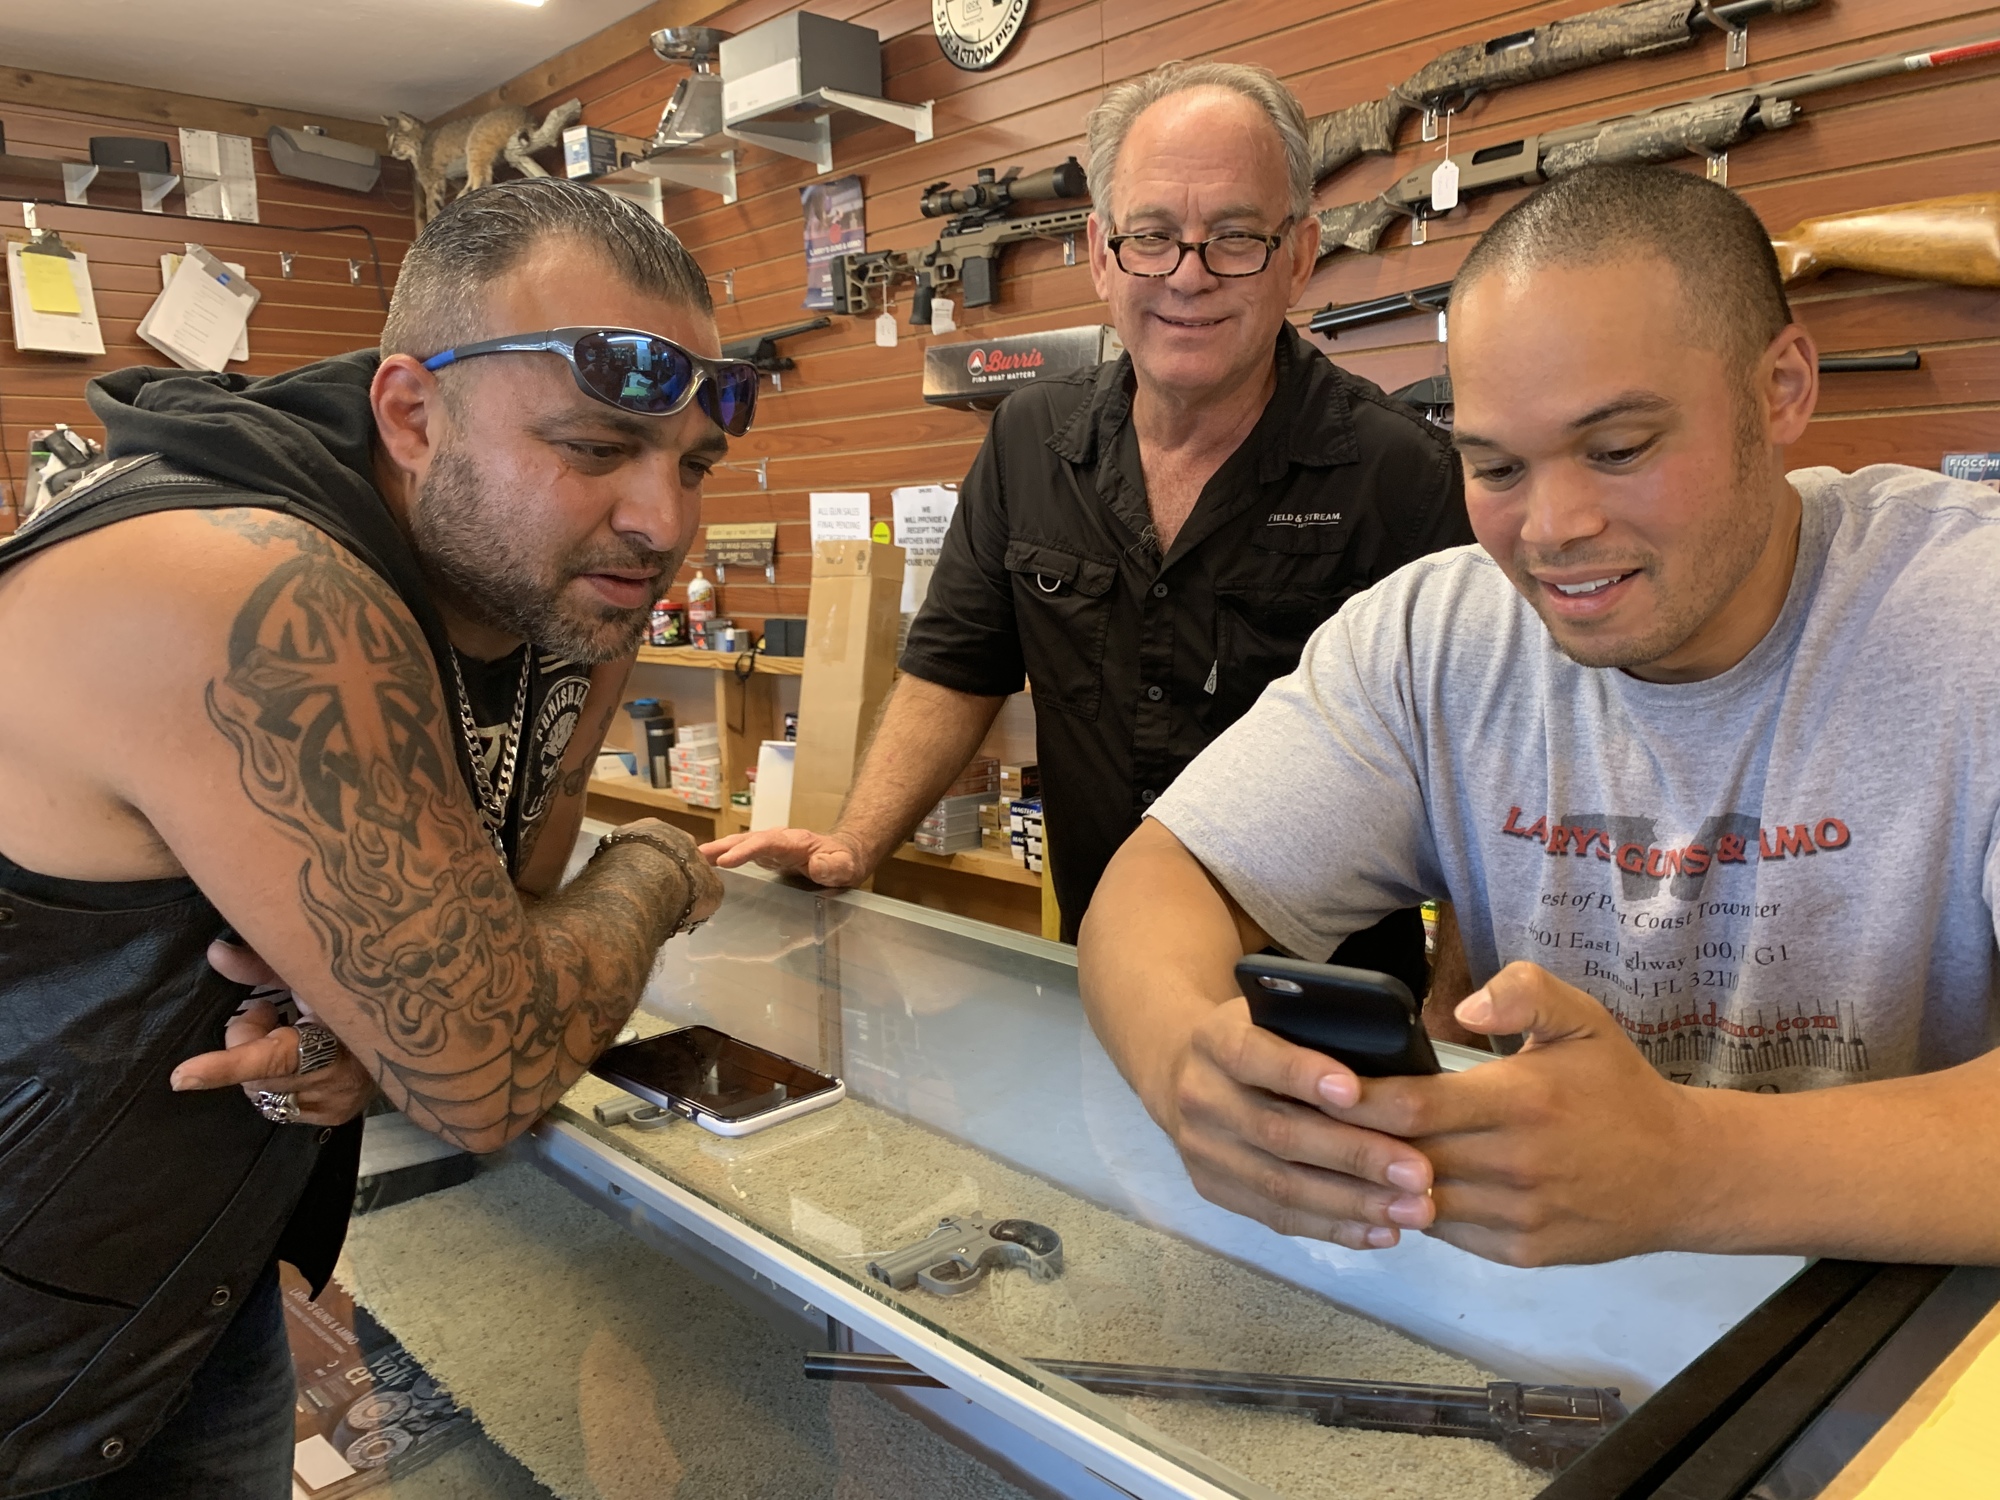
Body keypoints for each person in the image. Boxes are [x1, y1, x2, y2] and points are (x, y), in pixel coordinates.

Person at [1077, 163, 2000, 1270]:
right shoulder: (1431, 637)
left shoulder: (1969, 612)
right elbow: (1157, 886)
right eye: (1495, 466)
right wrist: (1192, 1071)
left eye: (1617, 450)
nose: (1551, 529)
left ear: (1782, 389)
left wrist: (1687, 1168)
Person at [0, 178, 739, 1497]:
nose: (662, 521)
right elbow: (492, 1069)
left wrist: (376, 1019)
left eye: (690, 464)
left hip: (179, 1303)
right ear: (410, 410)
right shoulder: (243, 588)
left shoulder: (554, 583)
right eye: (591, 448)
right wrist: (661, 867)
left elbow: (496, 919)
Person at [706, 62, 1469, 985]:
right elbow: (953, 671)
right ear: (1103, 254)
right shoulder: (1027, 440)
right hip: (1096, 986)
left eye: (1235, 237)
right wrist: (854, 843)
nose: (1188, 276)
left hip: (1328, 1014)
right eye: (1153, 236)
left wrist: (1453, 1026)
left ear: (1301, 254)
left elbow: (1471, 776)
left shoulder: (1406, 478)